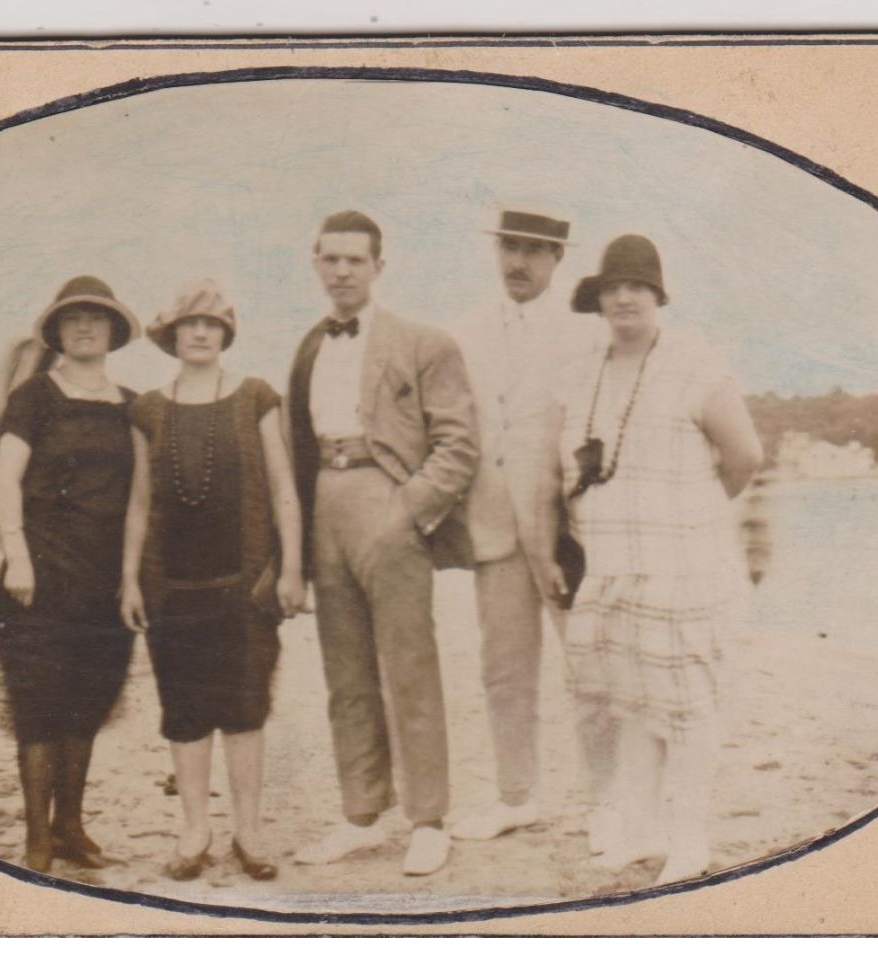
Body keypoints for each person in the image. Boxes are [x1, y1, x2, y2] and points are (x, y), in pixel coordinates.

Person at [534, 234, 763, 883]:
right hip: (605, 568)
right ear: (599, 298)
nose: (624, 296)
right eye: (613, 286)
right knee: (626, 704)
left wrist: (686, 518)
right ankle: (639, 832)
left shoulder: (695, 364)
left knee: (686, 708)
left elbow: (744, 456)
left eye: (637, 285)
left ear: (657, 295)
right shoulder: (581, 373)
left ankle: (688, 842)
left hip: (684, 571)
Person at [284, 211, 479, 877]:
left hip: (388, 502)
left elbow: (458, 444)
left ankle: (428, 819)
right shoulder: (310, 345)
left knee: (409, 667)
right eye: (329, 259)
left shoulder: (424, 342)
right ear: (315, 263)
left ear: (377, 267)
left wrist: (407, 511)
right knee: (345, 673)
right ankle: (360, 813)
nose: (341, 271)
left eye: (354, 260)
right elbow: (295, 442)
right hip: (325, 504)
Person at [120, 279, 307, 883]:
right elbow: (139, 505)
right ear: (171, 335)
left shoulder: (255, 397)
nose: (200, 333)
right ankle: (194, 830)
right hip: (172, 589)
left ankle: (249, 831)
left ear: (226, 334)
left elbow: (284, 489)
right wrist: (128, 580)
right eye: (189, 324)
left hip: (245, 586)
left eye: (212, 324)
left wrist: (293, 568)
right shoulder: (147, 409)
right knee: (185, 711)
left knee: (246, 708)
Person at [449, 207, 611, 846]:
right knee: (504, 668)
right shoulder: (468, 333)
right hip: (493, 525)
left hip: (567, 532)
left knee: (591, 667)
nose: (517, 262)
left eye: (533, 251)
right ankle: (517, 796)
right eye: (509, 248)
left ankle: (609, 803)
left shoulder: (587, 337)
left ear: (557, 259)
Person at [0, 275, 143, 874]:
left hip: (105, 581)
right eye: (73, 318)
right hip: (40, 575)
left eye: (97, 318)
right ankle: (36, 839)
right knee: (39, 705)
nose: (85, 327)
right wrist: (18, 555)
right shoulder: (34, 397)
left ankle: (70, 828)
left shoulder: (131, 405)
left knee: (90, 702)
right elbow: (6, 479)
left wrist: (133, 577)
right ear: (57, 330)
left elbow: (141, 497)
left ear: (112, 332)